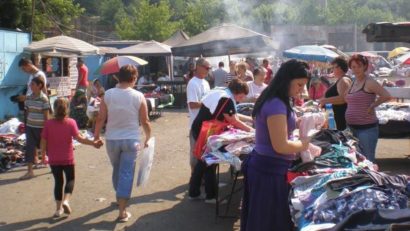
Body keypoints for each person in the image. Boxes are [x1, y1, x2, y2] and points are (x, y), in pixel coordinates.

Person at [241, 60, 311, 231]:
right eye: (299, 85)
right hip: (269, 170)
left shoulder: (277, 99)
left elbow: (279, 129)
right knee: (268, 221)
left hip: (268, 167)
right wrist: (305, 143)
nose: (301, 90)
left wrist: (298, 122)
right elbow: (281, 146)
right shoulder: (276, 104)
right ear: (287, 80)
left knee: (266, 219)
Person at [94, 64, 151, 222]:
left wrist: (96, 137)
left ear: (119, 77)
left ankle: (120, 198)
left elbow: (100, 118)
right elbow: (145, 121)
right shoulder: (139, 96)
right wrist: (148, 137)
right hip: (131, 140)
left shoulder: (108, 95)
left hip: (112, 140)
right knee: (126, 172)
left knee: (117, 170)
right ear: (133, 78)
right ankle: (122, 210)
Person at [189, 79, 254, 203]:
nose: (240, 100)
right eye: (240, 96)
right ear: (236, 92)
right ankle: (209, 196)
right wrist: (252, 130)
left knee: (204, 160)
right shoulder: (227, 99)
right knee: (208, 161)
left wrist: (251, 119)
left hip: (201, 128)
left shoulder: (221, 91)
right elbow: (233, 120)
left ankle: (195, 192)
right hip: (207, 131)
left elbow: (232, 115)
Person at [40, 98, 102, 217]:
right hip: (67, 158)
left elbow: (43, 141)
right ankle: (66, 200)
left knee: (58, 182)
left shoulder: (48, 124)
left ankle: (58, 210)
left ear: (54, 108)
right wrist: (93, 143)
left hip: (54, 159)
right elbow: (79, 139)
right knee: (70, 180)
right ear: (67, 108)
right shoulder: (71, 122)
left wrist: (43, 156)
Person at [345, 54, 391, 162]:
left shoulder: (369, 82)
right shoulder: (353, 82)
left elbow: (386, 95)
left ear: (365, 66)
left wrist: (373, 105)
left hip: (366, 129)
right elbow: (346, 98)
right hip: (351, 128)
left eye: (359, 66)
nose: (356, 69)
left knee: (367, 161)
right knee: (355, 161)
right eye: (353, 67)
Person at [20, 77, 50, 180]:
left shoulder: (44, 99)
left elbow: (46, 116)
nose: (30, 86)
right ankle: (30, 171)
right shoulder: (29, 98)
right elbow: (27, 112)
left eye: (32, 84)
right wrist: (26, 125)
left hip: (41, 128)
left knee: (47, 147)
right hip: (30, 127)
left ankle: (54, 166)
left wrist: (47, 130)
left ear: (39, 86)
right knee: (30, 148)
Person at [186, 58, 211, 173]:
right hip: (196, 124)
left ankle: (201, 177)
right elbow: (192, 104)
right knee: (195, 152)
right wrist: (208, 103)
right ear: (199, 67)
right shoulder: (192, 83)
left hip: (205, 123)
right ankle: (194, 177)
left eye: (209, 68)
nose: (208, 70)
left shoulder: (205, 82)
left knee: (204, 151)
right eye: (207, 68)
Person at [319, 57, 352, 130]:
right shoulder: (341, 79)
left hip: (340, 118)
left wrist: (325, 100)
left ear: (339, 68)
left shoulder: (343, 80)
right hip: (336, 117)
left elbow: (343, 98)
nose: (332, 70)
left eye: (333, 67)